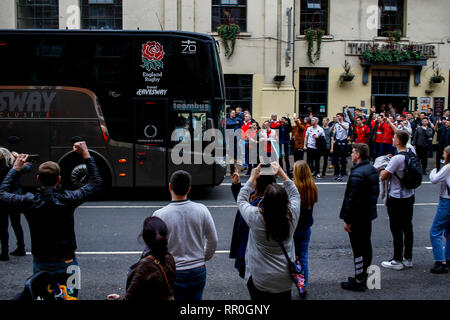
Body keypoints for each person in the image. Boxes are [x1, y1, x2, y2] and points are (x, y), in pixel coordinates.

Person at [0, 142, 102, 297]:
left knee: (42, 295)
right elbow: (95, 182)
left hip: (41, 261)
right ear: (59, 179)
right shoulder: (69, 198)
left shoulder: (29, 201)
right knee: (71, 296)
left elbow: (3, 193)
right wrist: (86, 154)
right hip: (68, 260)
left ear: (38, 179)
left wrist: (15, 168)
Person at [237, 162, 300, 300]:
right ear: (286, 201)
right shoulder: (292, 215)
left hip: (260, 278)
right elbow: (295, 193)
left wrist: (252, 177)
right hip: (284, 279)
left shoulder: (255, 216)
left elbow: (241, 200)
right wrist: (282, 173)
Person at [153, 170, 218, 300]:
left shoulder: (159, 215)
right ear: (189, 189)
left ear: (170, 186)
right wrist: (202, 257)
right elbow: (213, 240)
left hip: (174, 270)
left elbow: (155, 248)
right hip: (198, 268)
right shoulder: (202, 209)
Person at [339, 143, 379, 291]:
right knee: (366, 246)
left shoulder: (357, 174)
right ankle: (364, 276)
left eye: (353, 152)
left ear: (359, 155)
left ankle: (359, 279)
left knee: (358, 250)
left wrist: (348, 220)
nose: (351, 154)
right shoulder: (371, 170)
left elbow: (352, 200)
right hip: (367, 215)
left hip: (357, 218)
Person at [106, 217, 176, 300]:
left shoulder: (146, 264)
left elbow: (129, 297)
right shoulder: (169, 257)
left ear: (143, 237)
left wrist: (119, 298)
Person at [229, 166, 276, 279]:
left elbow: (242, 203)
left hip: (253, 254)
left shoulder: (258, 206)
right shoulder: (268, 199)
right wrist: (237, 184)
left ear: (260, 183)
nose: (252, 182)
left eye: (254, 179)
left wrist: (251, 178)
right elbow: (243, 202)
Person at [380, 131, 416, 270]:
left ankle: (397, 259)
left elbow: (384, 176)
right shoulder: (411, 152)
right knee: (408, 227)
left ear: (399, 142)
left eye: (394, 137)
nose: (392, 139)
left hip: (396, 196)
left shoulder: (397, 158)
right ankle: (408, 258)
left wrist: (383, 166)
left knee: (396, 227)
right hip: (409, 195)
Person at [292, 160, 318, 299]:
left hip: (294, 228)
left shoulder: (294, 189)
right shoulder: (312, 187)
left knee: (290, 257)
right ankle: (303, 285)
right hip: (306, 227)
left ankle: (288, 282)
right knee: (303, 257)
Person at [0, 148, 28, 261]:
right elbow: (28, 167)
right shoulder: (14, 167)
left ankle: (4, 252)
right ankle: (21, 247)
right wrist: (18, 158)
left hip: (2, 199)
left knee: (3, 226)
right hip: (15, 198)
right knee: (16, 224)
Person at [428, 145, 450, 274]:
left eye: (444, 153)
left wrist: (433, 171)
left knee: (435, 232)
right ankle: (447, 258)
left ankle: (440, 262)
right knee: (449, 232)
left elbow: (434, 179)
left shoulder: (447, 167)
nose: (442, 155)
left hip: (446, 201)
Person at [331, 113, 350, 181]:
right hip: (337, 142)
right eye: (336, 116)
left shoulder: (346, 123)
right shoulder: (336, 124)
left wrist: (339, 123)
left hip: (343, 143)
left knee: (343, 159)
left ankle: (342, 173)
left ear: (341, 117)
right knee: (335, 159)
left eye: (338, 116)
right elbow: (332, 132)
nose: (337, 117)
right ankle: (338, 172)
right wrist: (334, 124)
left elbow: (346, 128)